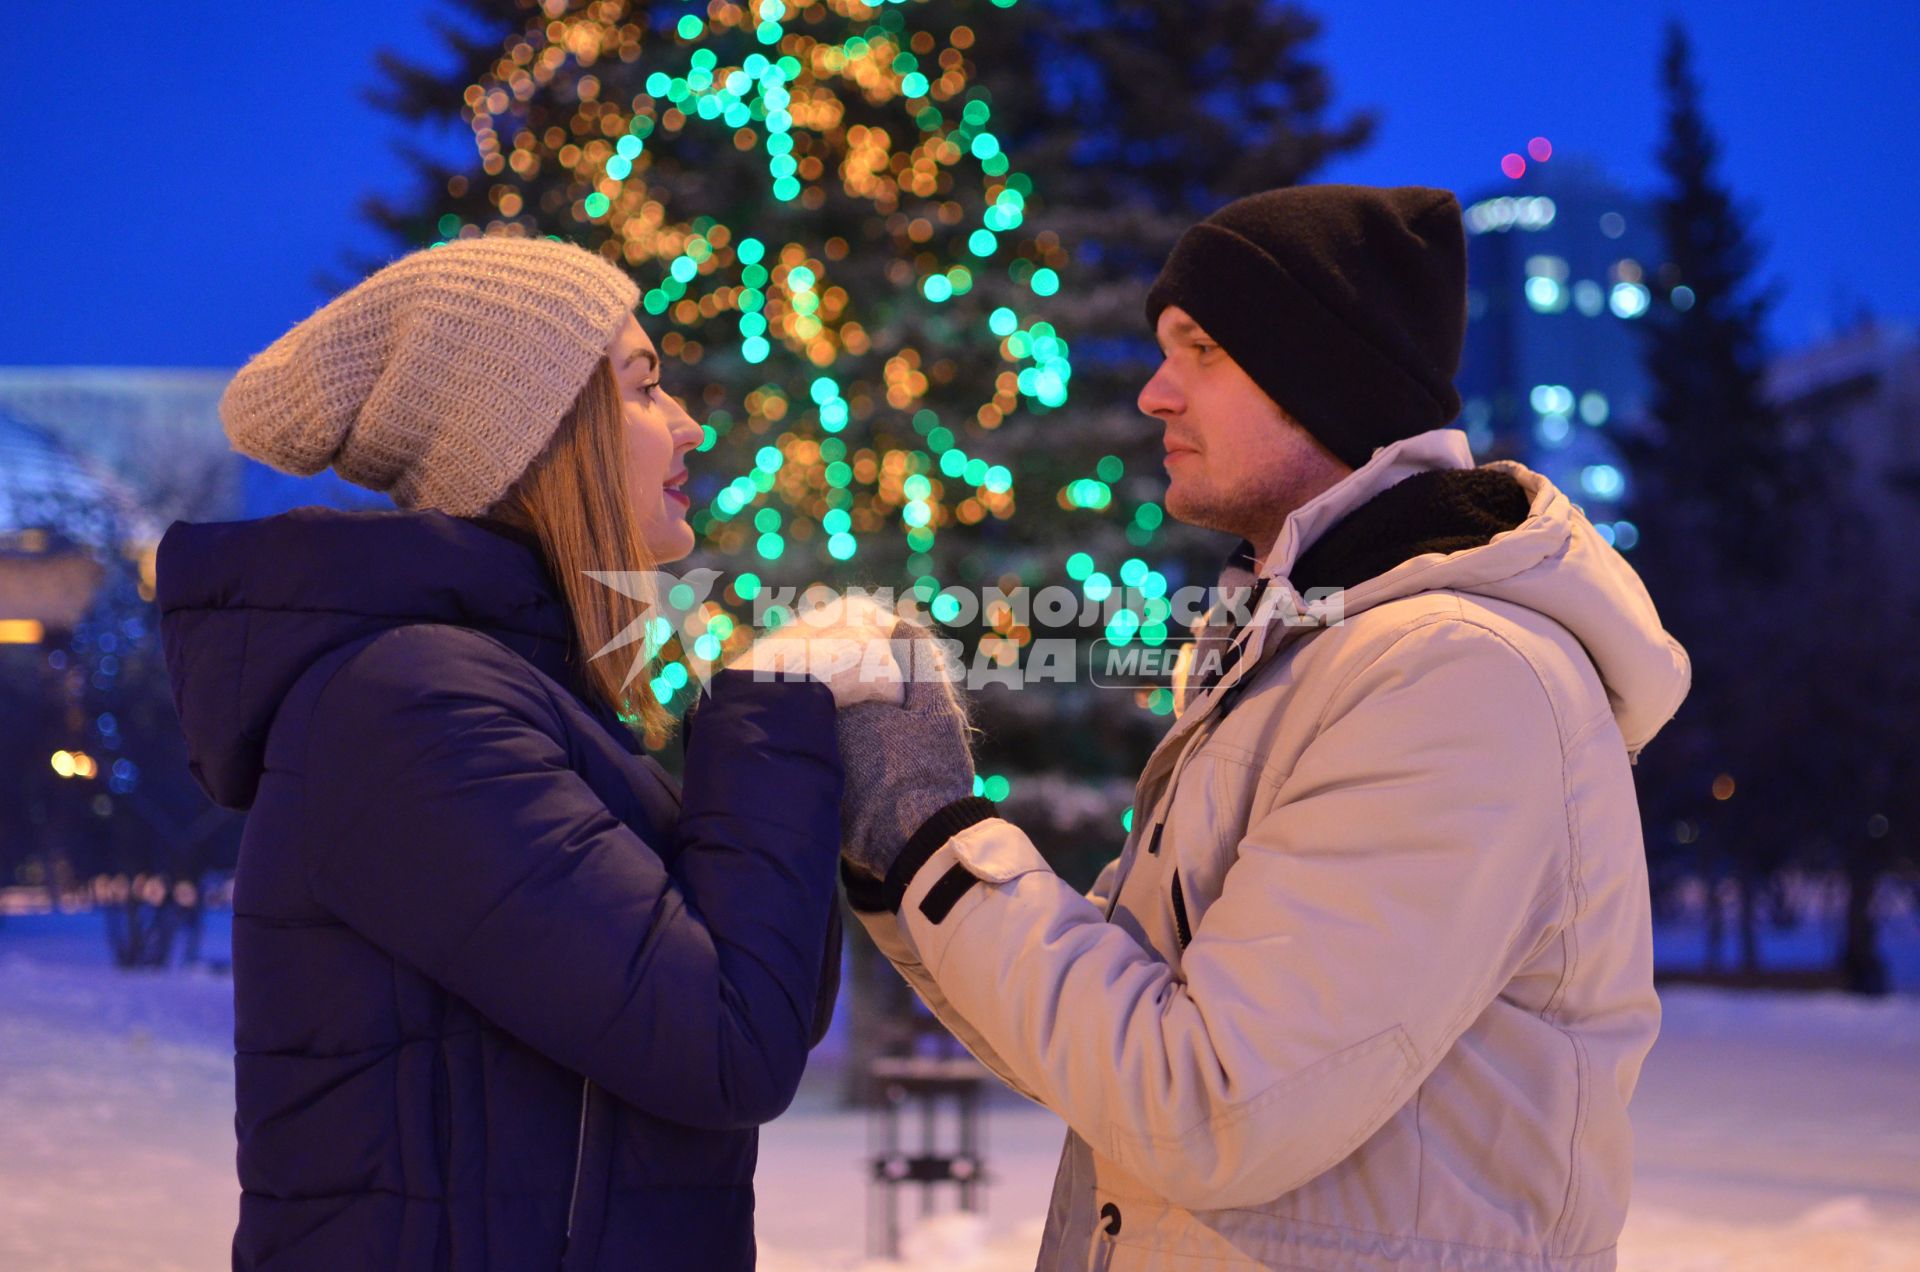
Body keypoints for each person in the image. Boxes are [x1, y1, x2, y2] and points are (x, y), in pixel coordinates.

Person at [832, 185, 1693, 1270]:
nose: (1153, 395)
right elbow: (1098, 1047)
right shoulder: (1294, 663)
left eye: (1198, 350)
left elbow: (1210, 1111)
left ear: (1319, 372)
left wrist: (932, 836)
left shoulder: (1454, 677)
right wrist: (897, 868)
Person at [156, 235, 898, 1270]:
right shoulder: (411, 710)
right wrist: (775, 708)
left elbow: (747, 998)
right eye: (641, 388)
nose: (687, 423)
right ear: (532, 435)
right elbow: (728, 1044)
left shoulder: (513, 694)